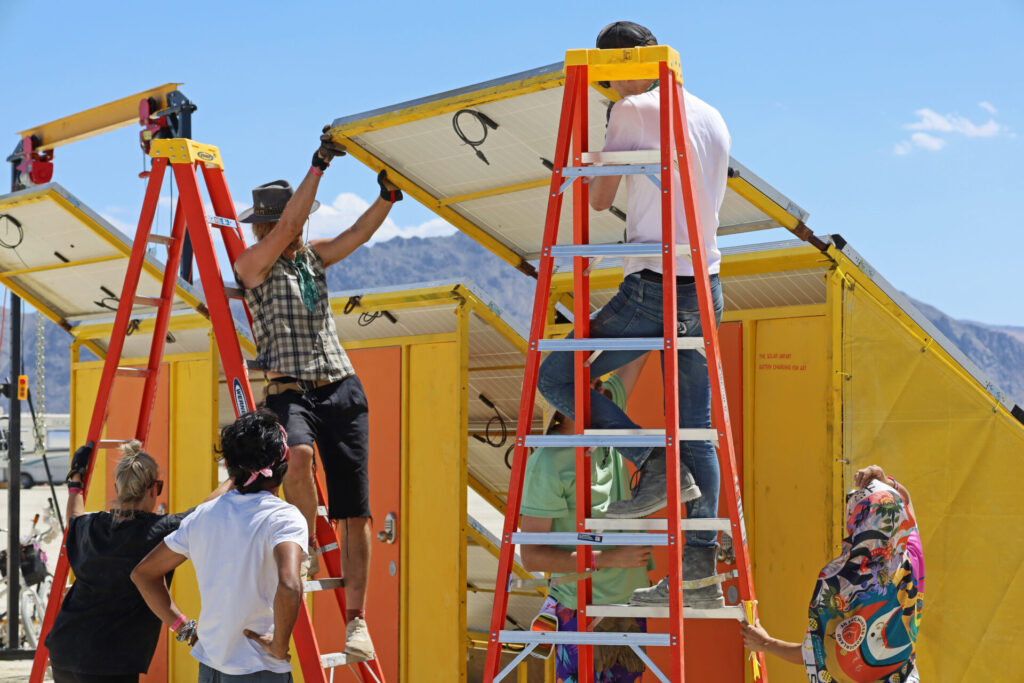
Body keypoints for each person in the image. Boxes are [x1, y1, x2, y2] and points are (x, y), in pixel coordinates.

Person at [536, 20, 731, 609]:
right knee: (695, 428)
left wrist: (595, 146)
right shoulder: (712, 115)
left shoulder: (631, 110)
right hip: (707, 282)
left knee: (555, 376)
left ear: (622, 65)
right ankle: (698, 580)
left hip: (653, 282)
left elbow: (597, 198)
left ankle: (650, 462)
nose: (607, 87)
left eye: (607, 76)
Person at [232, 133, 403, 660]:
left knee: (357, 510)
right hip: (290, 389)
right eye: (288, 221)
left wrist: (386, 200)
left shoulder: (312, 260)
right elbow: (286, 228)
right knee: (299, 456)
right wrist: (318, 165)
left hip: (339, 384)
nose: (297, 227)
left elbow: (354, 235)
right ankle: (304, 546)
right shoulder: (252, 264)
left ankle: (357, 621)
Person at [132, 409, 308, 682]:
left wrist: (184, 627)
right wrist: (279, 644)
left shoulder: (204, 515)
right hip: (257, 669)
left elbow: (143, 574)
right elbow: (290, 585)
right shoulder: (283, 517)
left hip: (210, 666)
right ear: (281, 461)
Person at [45, 440, 230, 683]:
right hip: (111, 660)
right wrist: (237, 476)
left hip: (66, 647)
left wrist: (76, 480)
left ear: (117, 488)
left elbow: (74, 516)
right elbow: (207, 510)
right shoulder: (159, 531)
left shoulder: (90, 526)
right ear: (154, 488)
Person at [520, 358, 652, 681]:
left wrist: (659, 312)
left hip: (628, 605)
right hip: (584, 609)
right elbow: (531, 555)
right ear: (564, 405)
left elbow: (634, 360)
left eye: (597, 383)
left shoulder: (602, 416)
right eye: (591, 387)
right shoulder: (547, 464)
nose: (601, 391)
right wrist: (609, 557)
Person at [741, 465, 925, 683]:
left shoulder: (840, 582)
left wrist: (766, 644)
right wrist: (888, 483)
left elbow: (821, 652)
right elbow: (906, 508)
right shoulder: (912, 557)